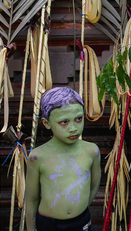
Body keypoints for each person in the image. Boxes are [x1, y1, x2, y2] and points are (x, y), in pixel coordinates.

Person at [25, 87, 101, 231]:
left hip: (81, 222)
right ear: (47, 123)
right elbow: (31, 199)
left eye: (78, 119)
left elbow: (94, 186)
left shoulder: (91, 151)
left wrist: (80, 206)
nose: (73, 128)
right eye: (64, 122)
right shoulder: (37, 156)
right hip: (48, 224)